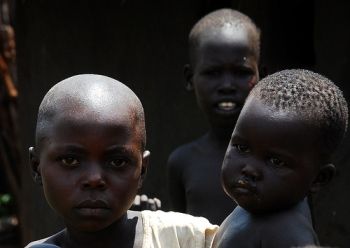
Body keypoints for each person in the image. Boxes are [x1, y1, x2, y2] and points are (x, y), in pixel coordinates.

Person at [25, 74, 217, 248]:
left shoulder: (189, 239)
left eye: (117, 162)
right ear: (36, 167)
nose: (94, 179)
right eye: (70, 160)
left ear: (142, 170)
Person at [212, 69, 348, 247]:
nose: (250, 169)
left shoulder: (286, 229)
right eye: (242, 147)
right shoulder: (257, 209)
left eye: (276, 161)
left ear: (318, 178)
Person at [167, 8, 260, 224]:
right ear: (190, 78)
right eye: (212, 73)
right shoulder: (182, 162)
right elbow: (180, 237)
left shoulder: (280, 157)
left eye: (241, 72)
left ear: (261, 76)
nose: (227, 85)